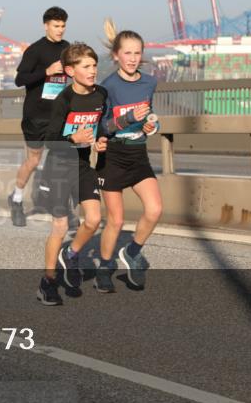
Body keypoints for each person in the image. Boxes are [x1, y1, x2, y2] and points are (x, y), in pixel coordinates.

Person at [35, 43, 108, 306]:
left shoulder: (101, 95)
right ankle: (48, 281)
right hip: (58, 168)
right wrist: (72, 138)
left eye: (94, 65)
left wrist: (100, 140)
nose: (92, 71)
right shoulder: (64, 100)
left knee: (94, 219)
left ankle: (71, 254)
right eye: (86, 66)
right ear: (70, 71)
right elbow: (50, 140)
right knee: (61, 226)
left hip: (82, 166)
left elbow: (100, 127)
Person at [93, 20, 162, 292]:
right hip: (113, 156)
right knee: (116, 220)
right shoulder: (108, 86)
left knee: (154, 210)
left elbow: (150, 115)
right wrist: (127, 119)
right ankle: (104, 267)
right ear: (116, 55)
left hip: (138, 153)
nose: (132, 58)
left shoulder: (149, 82)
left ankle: (132, 252)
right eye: (127, 53)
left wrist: (152, 126)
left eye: (137, 53)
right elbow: (101, 127)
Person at [10, 7, 70, 227]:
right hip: (35, 115)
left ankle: (61, 206)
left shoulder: (66, 48)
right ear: (46, 26)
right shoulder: (35, 50)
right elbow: (19, 80)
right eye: (56, 26)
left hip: (58, 115)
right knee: (34, 161)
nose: (60, 30)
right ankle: (16, 199)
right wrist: (47, 71)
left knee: (63, 157)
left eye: (63, 26)